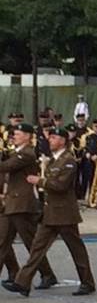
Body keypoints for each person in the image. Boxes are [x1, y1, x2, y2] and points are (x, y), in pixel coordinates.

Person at [2, 127, 95, 297]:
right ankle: (22, 283)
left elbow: (61, 185)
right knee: (37, 249)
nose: (50, 140)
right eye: (50, 137)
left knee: (76, 249)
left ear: (63, 141)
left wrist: (40, 181)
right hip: (50, 213)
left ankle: (87, 282)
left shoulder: (68, 160)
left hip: (65, 214)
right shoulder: (53, 160)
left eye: (54, 138)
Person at [0, 123, 57, 289]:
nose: (14, 137)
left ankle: (47, 274)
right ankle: (38, 274)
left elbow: (6, 167)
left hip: (23, 204)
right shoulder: (17, 152)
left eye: (18, 134)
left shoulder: (27, 153)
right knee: (2, 242)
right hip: (12, 204)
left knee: (31, 243)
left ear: (27, 136)